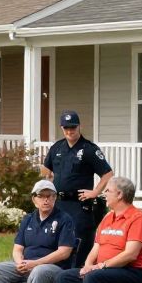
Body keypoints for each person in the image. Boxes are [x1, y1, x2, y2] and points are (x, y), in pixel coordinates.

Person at [54, 176, 142, 283]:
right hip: (102, 271)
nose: (104, 194)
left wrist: (100, 266)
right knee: (63, 277)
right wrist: (87, 265)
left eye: (108, 191)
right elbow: (96, 247)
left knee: (93, 277)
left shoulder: (138, 218)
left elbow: (130, 254)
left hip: (132, 272)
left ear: (119, 194)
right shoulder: (107, 217)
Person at [41, 111, 113, 268]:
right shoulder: (57, 147)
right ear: (61, 128)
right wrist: (50, 184)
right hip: (59, 203)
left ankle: (78, 275)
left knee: (79, 242)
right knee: (57, 239)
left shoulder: (89, 149)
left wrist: (95, 192)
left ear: (79, 126)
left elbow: (108, 174)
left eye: (73, 127)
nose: (69, 131)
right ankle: (57, 275)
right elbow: (46, 170)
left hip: (79, 204)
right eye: (66, 128)